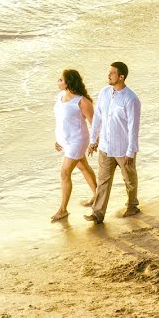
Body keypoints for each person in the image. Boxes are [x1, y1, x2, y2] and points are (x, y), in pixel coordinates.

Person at [84, 61, 141, 224]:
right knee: (103, 181)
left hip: (123, 149)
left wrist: (131, 151)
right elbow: (98, 117)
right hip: (105, 147)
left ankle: (132, 205)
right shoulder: (104, 93)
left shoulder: (131, 99)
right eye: (108, 72)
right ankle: (97, 214)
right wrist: (93, 140)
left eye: (112, 73)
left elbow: (133, 127)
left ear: (121, 77)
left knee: (129, 179)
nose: (108, 75)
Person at [51, 69, 98, 222]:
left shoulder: (82, 101)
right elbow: (60, 120)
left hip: (78, 140)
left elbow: (94, 124)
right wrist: (59, 139)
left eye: (60, 79)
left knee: (65, 172)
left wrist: (94, 142)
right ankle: (97, 196)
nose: (58, 82)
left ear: (68, 83)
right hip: (66, 140)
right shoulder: (60, 97)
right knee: (83, 166)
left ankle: (63, 210)